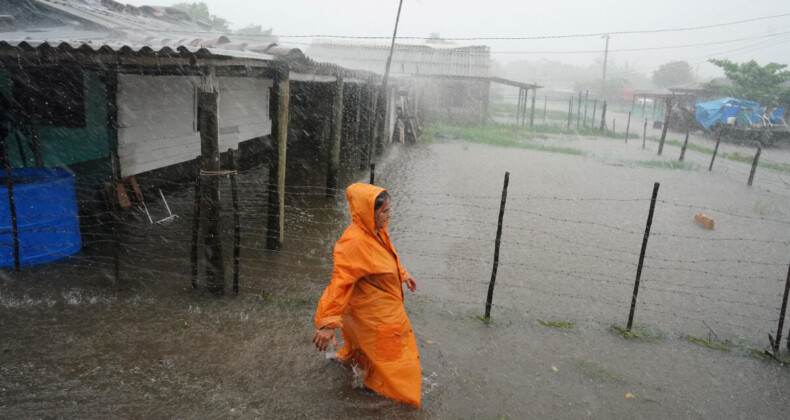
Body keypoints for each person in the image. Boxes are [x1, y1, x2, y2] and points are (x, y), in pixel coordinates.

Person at [312, 183, 421, 408]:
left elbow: (385, 258)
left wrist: (402, 274)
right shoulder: (354, 243)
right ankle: (399, 401)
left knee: (372, 353)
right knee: (396, 364)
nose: (389, 215)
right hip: (379, 318)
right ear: (368, 213)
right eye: (384, 211)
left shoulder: (375, 232)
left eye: (390, 209)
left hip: (372, 311)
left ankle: (363, 377)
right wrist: (327, 322)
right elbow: (339, 284)